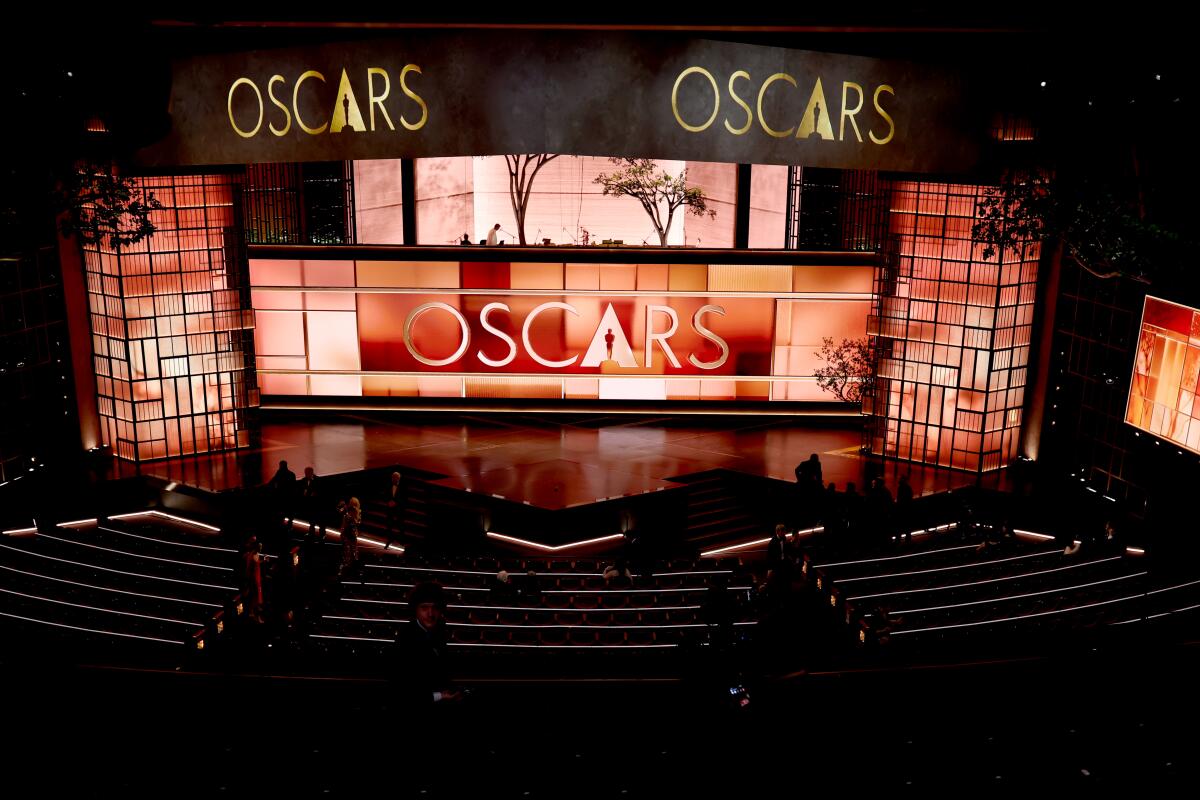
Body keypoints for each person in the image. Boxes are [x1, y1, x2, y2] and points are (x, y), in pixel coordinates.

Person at [394, 582, 461, 706]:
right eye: (424, 608)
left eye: (435, 608)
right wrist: (440, 696)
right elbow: (402, 687)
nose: (430, 614)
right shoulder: (405, 637)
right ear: (415, 610)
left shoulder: (440, 631)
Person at [294, 466, 324, 540]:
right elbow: (300, 491)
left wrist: (314, 494)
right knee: (311, 520)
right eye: (305, 473)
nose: (306, 475)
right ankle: (311, 533)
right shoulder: (303, 480)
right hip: (309, 505)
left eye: (307, 473)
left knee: (320, 521)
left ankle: (322, 534)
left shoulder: (318, 480)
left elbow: (321, 491)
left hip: (317, 505)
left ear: (311, 473)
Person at [242, 536, 265, 623]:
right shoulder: (252, 555)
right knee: (254, 597)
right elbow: (251, 567)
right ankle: (253, 613)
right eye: (260, 547)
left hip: (257, 578)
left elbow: (257, 563)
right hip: (254, 579)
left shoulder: (255, 554)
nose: (261, 548)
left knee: (255, 596)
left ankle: (253, 612)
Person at [339, 497, 361, 574]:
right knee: (347, 550)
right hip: (347, 534)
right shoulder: (347, 513)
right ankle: (346, 565)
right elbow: (344, 524)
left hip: (351, 534)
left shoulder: (356, 513)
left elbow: (357, 523)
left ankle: (351, 565)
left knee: (353, 550)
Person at [384, 471, 404, 546]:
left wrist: (396, 503)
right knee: (389, 525)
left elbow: (404, 498)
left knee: (400, 526)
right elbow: (385, 495)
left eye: (395, 478)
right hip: (390, 509)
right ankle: (389, 539)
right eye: (392, 478)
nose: (393, 479)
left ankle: (401, 540)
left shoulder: (402, 487)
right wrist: (388, 502)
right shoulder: (388, 485)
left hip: (399, 509)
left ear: (398, 479)